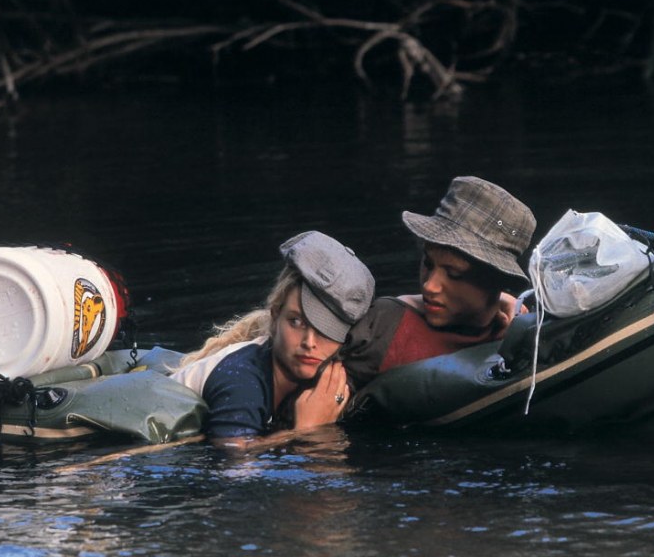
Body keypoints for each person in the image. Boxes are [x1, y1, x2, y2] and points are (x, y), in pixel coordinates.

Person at [170, 231, 375, 445]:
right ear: (275, 315)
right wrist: (307, 429)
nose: (309, 342)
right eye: (296, 321)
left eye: (327, 329)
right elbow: (234, 469)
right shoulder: (241, 381)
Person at [342, 176, 535, 388]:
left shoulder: (519, 338)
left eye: (454, 274)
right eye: (428, 263)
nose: (429, 287)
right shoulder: (383, 325)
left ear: (498, 282)